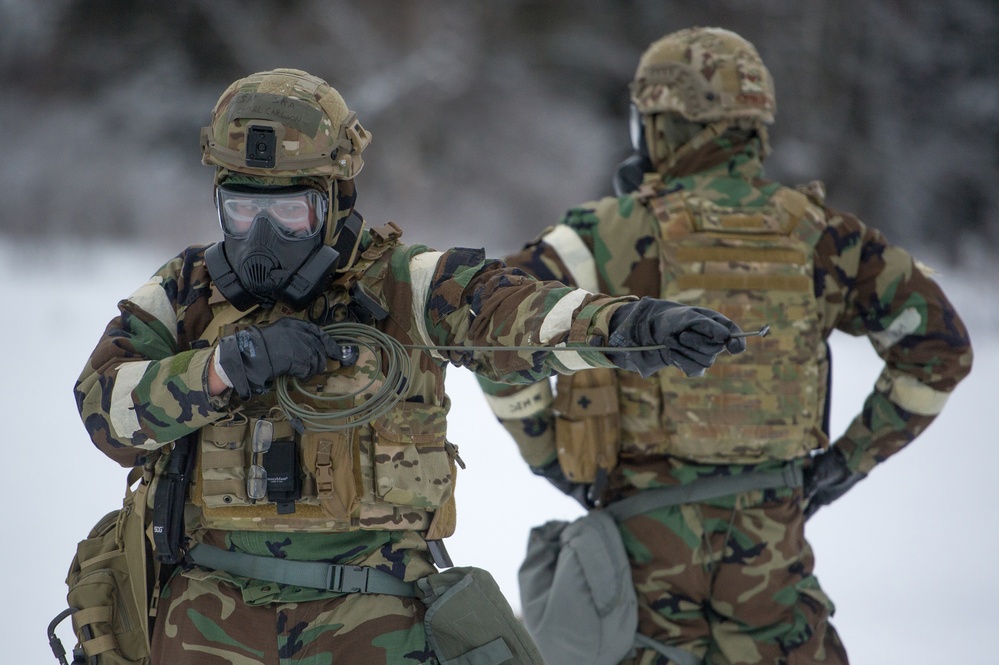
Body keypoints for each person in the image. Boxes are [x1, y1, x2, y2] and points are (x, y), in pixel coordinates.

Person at [72, 68, 747, 665]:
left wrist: (633, 325)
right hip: (208, 618)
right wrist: (222, 367)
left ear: (336, 197)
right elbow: (102, 404)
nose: (261, 238)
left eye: (289, 211)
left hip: (372, 621)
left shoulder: (407, 282)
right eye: (241, 209)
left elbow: (513, 313)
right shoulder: (187, 289)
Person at [477, 27, 973, 665]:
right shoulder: (826, 237)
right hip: (772, 571)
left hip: (640, 578)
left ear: (657, 124)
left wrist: (552, 458)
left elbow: (495, 331)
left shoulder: (604, 234)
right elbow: (940, 349)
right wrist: (844, 465)